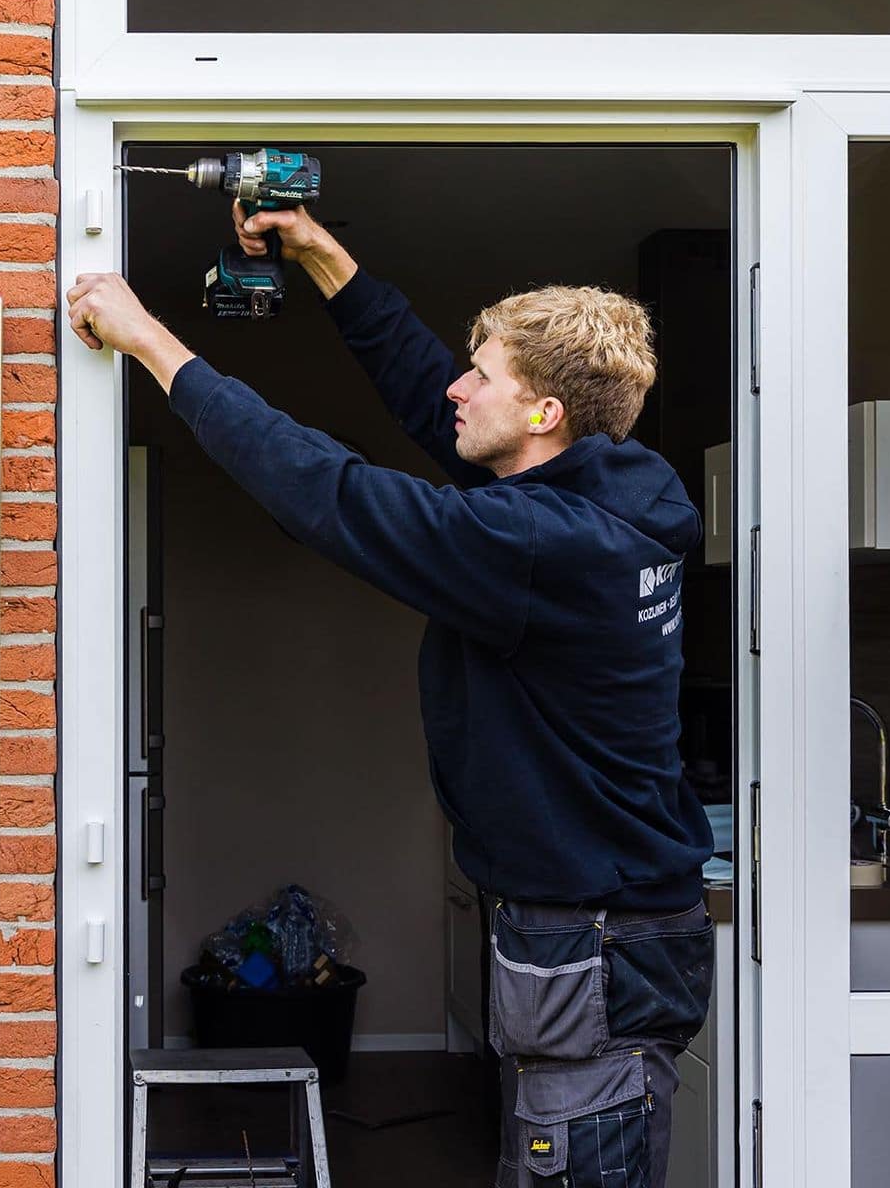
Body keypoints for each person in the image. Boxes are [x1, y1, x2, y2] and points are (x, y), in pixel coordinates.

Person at [65, 200, 717, 1188]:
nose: (460, 387)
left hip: (597, 932)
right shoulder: (614, 492)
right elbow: (431, 398)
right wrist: (324, 259)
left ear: (545, 412)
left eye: (484, 375)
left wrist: (152, 341)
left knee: (575, 1160)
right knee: (554, 1153)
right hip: (605, 920)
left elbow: (326, 491)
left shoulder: (542, 546)